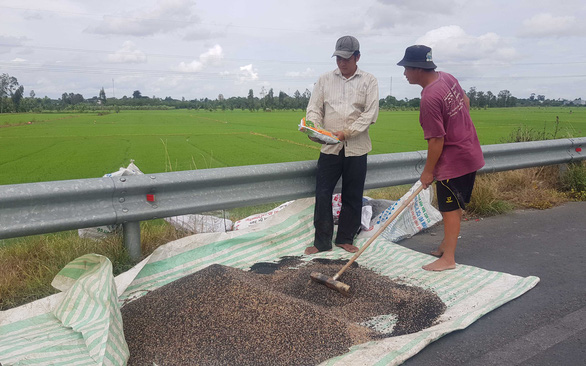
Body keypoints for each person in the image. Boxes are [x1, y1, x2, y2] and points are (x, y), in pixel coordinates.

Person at [397, 45, 485, 271]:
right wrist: (460, 129)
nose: (404, 73)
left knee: (449, 207)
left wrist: (428, 172)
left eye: (406, 68)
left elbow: (436, 140)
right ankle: (446, 245)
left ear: (418, 69)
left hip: (454, 160)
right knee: (455, 203)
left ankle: (449, 259)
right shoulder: (447, 78)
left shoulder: (430, 97)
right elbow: (465, 102)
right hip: (469, 150)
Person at [303, 35, 379, 255]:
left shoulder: (369, 80)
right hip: (329, 147)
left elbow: (370, 114)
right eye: (338, 58)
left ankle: (345, 238)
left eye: (346, 58)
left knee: (352, 195)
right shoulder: (325, 79)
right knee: (323, 193)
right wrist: (314, 128)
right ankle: (322, 241)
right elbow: (314, 108)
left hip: (357, 147)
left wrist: (347, 133)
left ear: (357, 57)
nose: (342, 63)